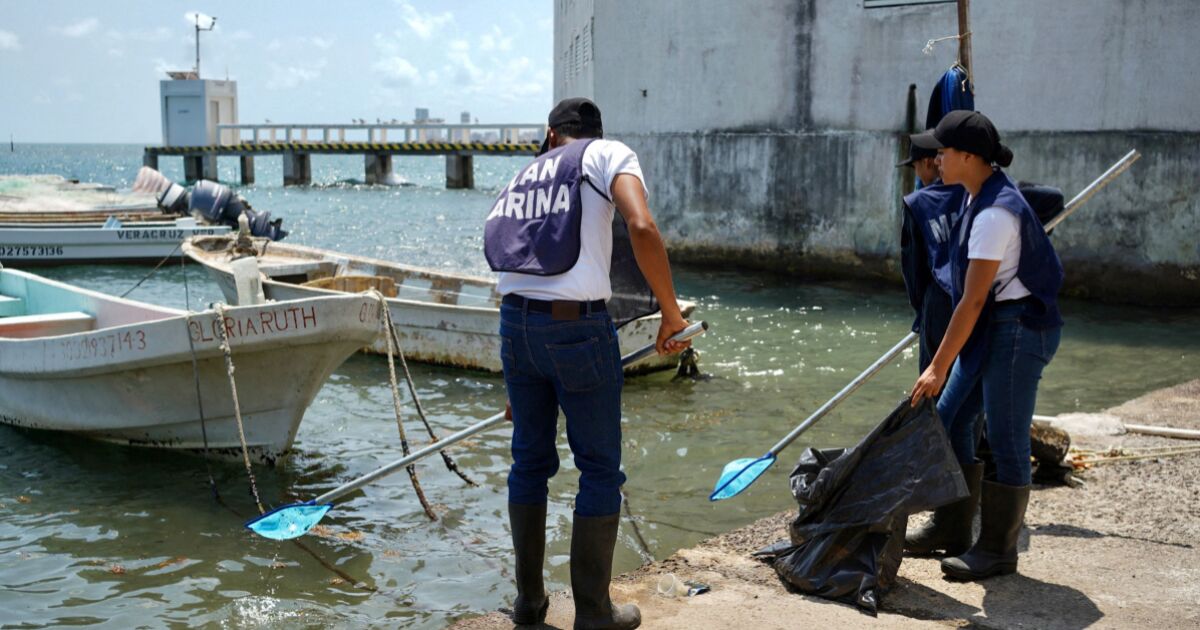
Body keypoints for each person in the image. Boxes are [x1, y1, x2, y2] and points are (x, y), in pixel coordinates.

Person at [484, 97, 689, 629]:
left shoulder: (526, 174)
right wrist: (670, 314)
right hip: (576, 328)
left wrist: (519, 375)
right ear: (595, 133)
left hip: (514, 326)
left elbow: (517, 261)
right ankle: (594, 612)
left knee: (528, 464)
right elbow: (641, 226)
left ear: (552, 136)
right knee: (598, 469)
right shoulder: (607, 154)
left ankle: (529, 604)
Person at [909, 110, 1064, 581]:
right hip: (996, 323)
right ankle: (953, 527)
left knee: (1005, 436)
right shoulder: (978, 194)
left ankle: (998, 550)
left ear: (970, 158)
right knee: (951, 417)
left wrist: (937, 365)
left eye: (945, 151)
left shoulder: (994, 212)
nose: (937, 158)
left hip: (1018, 328)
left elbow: (973, 301)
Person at [897, 139, 986, 557]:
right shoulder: (981, 195)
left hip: (940, 308)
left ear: (929, 162)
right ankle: (961, 510)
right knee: (971, 409)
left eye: (918, 164)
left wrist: (923, 317)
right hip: (982, 306)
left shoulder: (918, 204)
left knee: (940, 410)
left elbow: (913, 271)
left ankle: (947, 518)